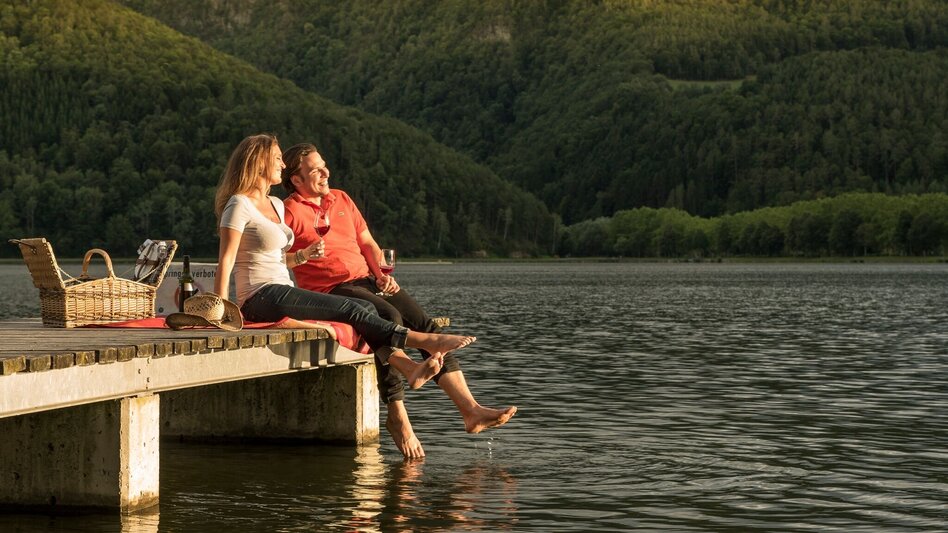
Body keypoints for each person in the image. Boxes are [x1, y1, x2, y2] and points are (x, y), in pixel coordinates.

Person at [280, 142, 517, 458]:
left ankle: (470, 411)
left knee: (425, 325)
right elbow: (274, 256)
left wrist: (382, 273)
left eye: (324, 165)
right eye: (315, 170)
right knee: (389, 318)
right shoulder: (289, 210)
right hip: (332, 289)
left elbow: (366, 242)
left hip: (367, 280)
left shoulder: (342, 199)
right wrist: (302, 256)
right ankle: (397, 414)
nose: (325, 172)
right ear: (296, 179)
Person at [213, 133, 476, 391]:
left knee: (365, 308)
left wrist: (303, 256)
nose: (282, 164)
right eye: (278, 158)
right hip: (258, 297)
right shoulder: (239, 204)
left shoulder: (275, 205)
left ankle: (410, 369)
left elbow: (278, 257)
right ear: (259, 162)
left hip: (283, 289)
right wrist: (221, 312)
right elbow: (226, 260)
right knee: (353, 309)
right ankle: (423, 341)